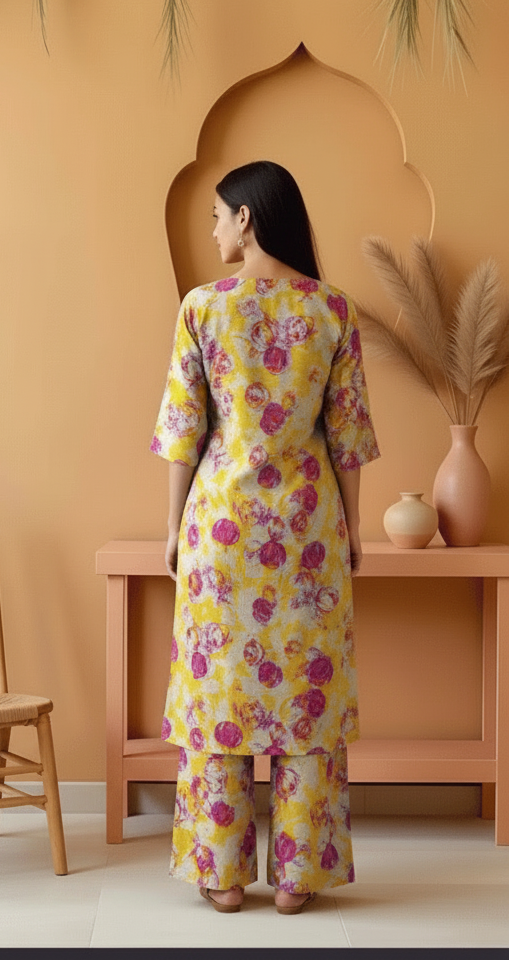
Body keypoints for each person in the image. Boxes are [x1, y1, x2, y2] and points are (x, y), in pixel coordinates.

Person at [150, 160, 379, 915]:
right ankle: (296, 879)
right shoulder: (333, 310)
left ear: (246, 219)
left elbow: (184, 433)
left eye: (218, 215)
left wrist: (174, 529)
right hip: (310, 531)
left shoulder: (203, 308)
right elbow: (347, 440)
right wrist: (351, 533)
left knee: (220, 698)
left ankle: (221, 877)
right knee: (305, 704)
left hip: (220, 528)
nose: (213, 229)